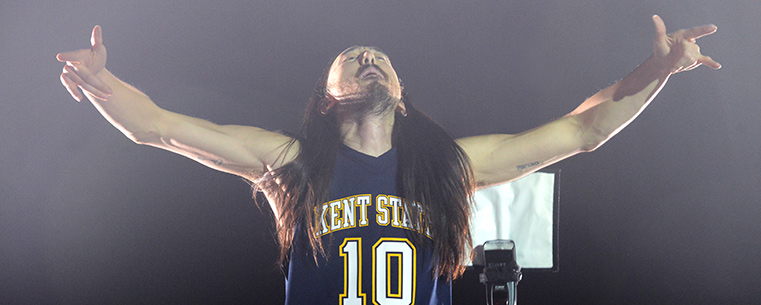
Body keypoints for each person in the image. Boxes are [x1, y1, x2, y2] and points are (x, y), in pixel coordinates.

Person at [57, 15, 719, 304]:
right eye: (352, 58)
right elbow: (160, 129)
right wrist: (99, 85)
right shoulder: (288, 162)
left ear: (399, 96)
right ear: (328, 96)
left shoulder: (450, 164)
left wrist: (655, 70)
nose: (368, 57)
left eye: (381, 58)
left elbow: (583, 132)